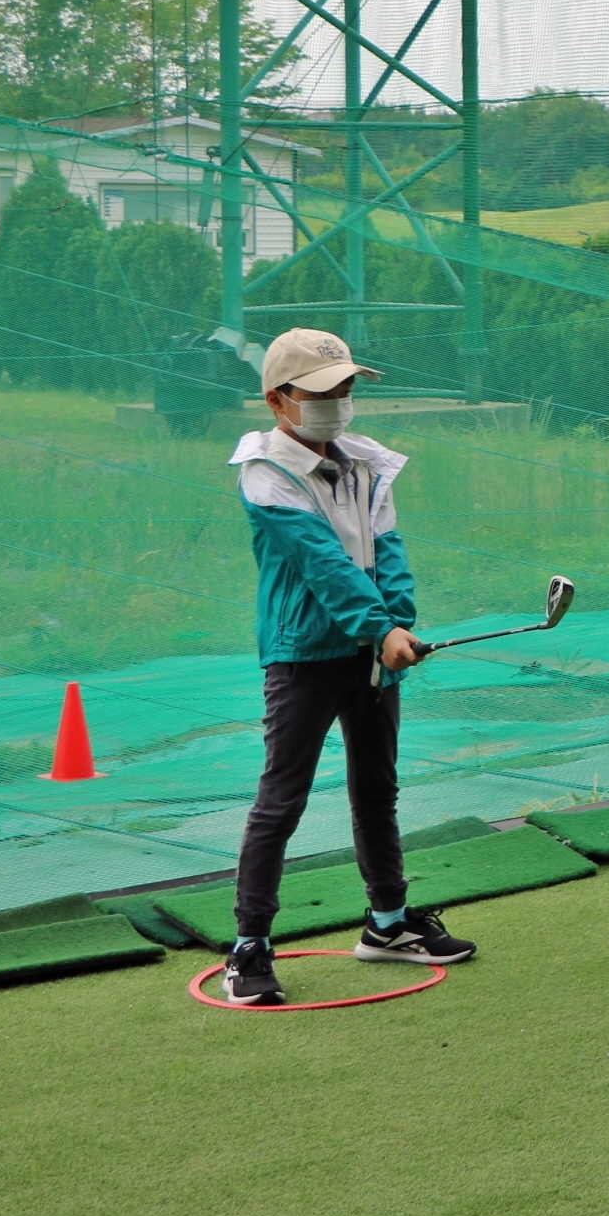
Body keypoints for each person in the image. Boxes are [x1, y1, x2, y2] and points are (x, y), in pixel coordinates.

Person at [222, 327, 474, 1006]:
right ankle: (249, 946)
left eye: (346, 387)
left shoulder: (367, 462)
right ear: (278, 400)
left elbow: (387, 548)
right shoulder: (265, 471)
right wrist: (379, 628)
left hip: (368, 653)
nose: (338, 400)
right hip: (303, 655)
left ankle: (388, 924)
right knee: (282, 800)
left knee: (376, 788)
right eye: (322, 391)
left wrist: (398, 622)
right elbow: (322, 562)